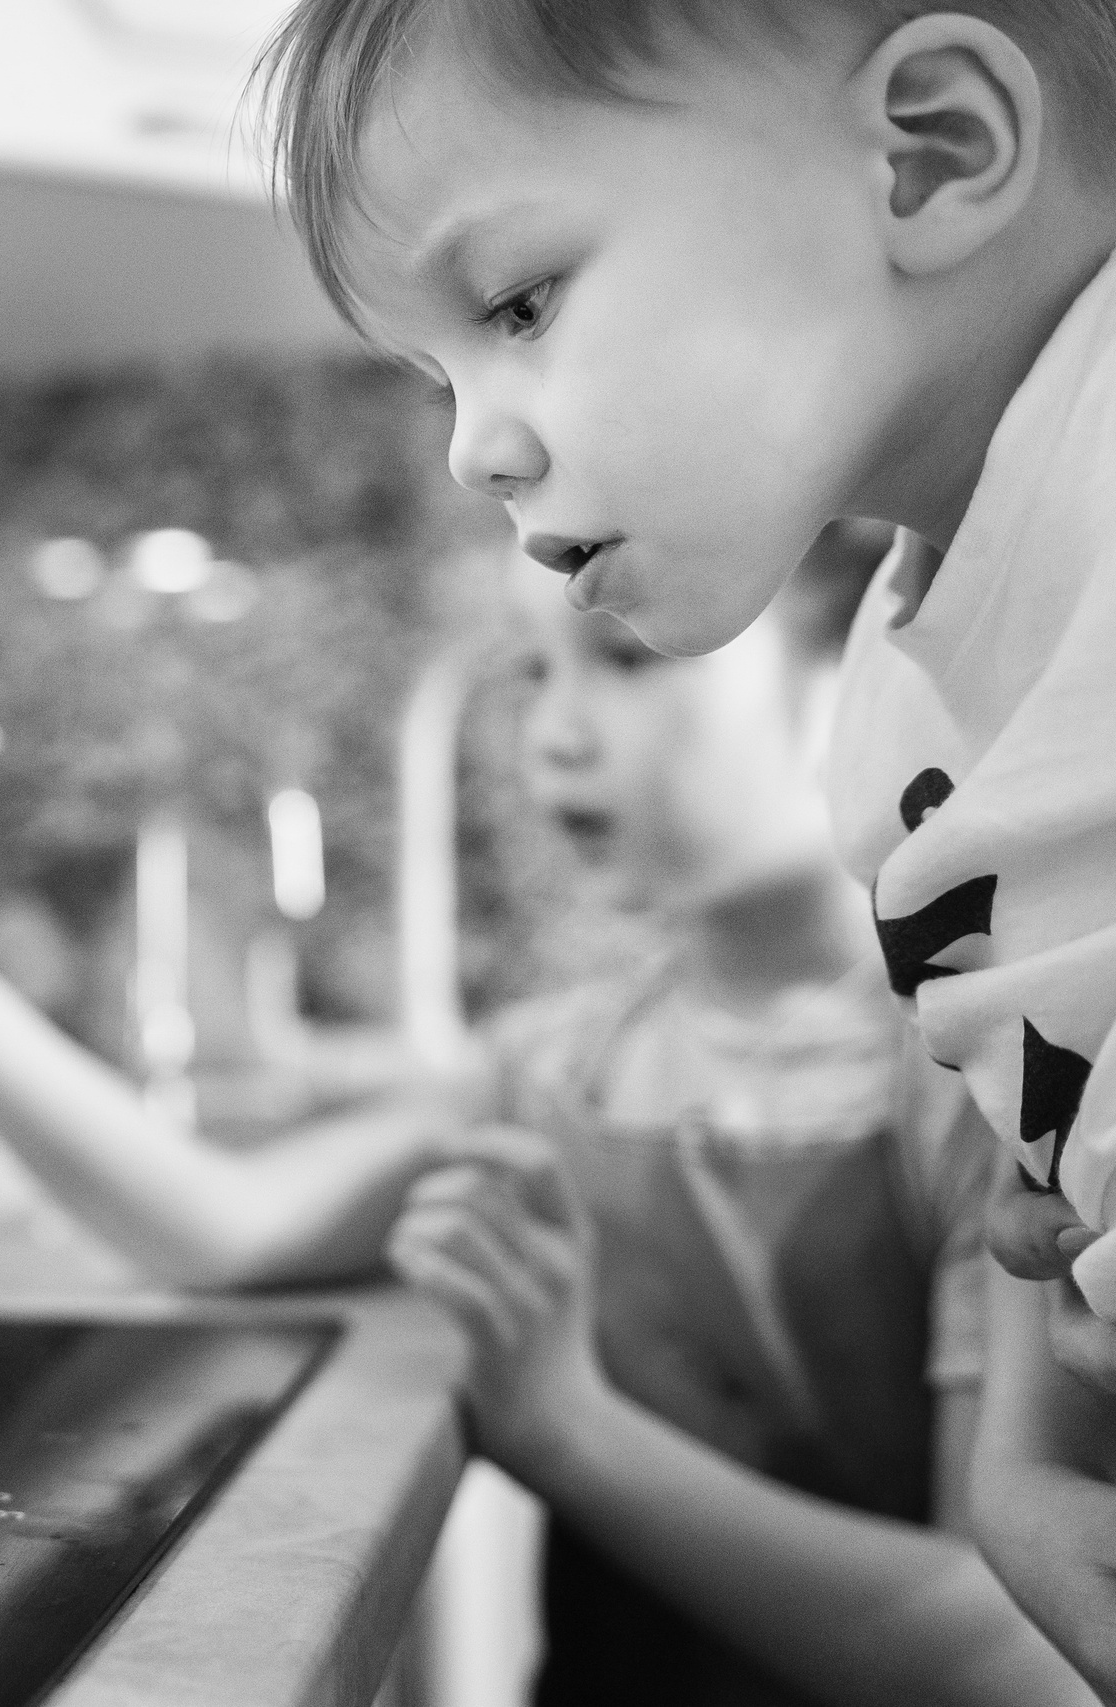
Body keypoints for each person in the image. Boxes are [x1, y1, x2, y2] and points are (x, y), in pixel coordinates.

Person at [0, 525, 1086, 1705]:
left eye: (625, 662)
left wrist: (566, 1433)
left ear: (865, 681)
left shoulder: (991, 1077)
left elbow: (1017, 1656)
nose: (552, 731)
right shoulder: (567, 1065)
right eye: (535, 675)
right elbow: (227, 1230)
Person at [249, 1, 1116, 1683]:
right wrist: (1020, 1469)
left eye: (519, 305)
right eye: (444, 371)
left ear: (931, 147)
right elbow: (1030, 1110)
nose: (470, 443)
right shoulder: (893, 711)